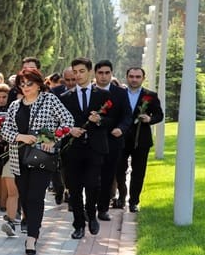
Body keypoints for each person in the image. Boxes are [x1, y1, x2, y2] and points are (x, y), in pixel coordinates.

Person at [0, 68, 74, 254]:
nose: (25, 88)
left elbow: (68, 121)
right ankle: (31, 226)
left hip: (42, 157)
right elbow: (5, 131)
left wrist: (52, 139)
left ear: (39, 84)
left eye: (29, 83)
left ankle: (32, 237)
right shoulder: (15, 105)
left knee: (35, 197)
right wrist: (20, 137)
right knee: (24, 197)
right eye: (22, 84)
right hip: (19, 158)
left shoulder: (49, 100)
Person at [58, 57, 122, 239]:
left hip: (95, 147)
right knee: (75, 188)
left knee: (93, 184)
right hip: (73, 149)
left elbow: (112, 120)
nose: (78, 75)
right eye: (75, 72)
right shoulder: (65, 98)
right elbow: (58, 123)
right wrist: (70, 130)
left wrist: (100, 120)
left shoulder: (103, 96)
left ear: (89, 72)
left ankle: (92, 214)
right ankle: (78, 224)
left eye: (81, 71)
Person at [116, 67, 164, 212]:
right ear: (127, 77)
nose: (134, 79)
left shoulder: (150, 95)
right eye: (131, 76)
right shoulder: (119, 94)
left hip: (141, 139)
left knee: (138, 172)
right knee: (119, 169)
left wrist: (150, 119)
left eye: (137, 77)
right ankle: (121, 195)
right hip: (121, 138)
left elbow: (159, 115)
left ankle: (134, 201)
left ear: (143, 78)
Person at [91, 60, 132, 220]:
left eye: (107, 73)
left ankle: (102, 209)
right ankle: (90, 207)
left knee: (108, 176)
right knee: (92, 177)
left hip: (113, 141)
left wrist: (121, 128)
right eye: (100, 73)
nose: (103, 76)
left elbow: (127, 115)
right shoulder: (90, 92)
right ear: (95, 74)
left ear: (111, 73)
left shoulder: (120, 93)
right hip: (93, 141)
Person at [0, 83, 17, 220]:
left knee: (5, 174)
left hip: (9, 144)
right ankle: (0, 196)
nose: (1, 99)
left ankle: (4, 200)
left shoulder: (12, 108)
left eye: (4, 97)